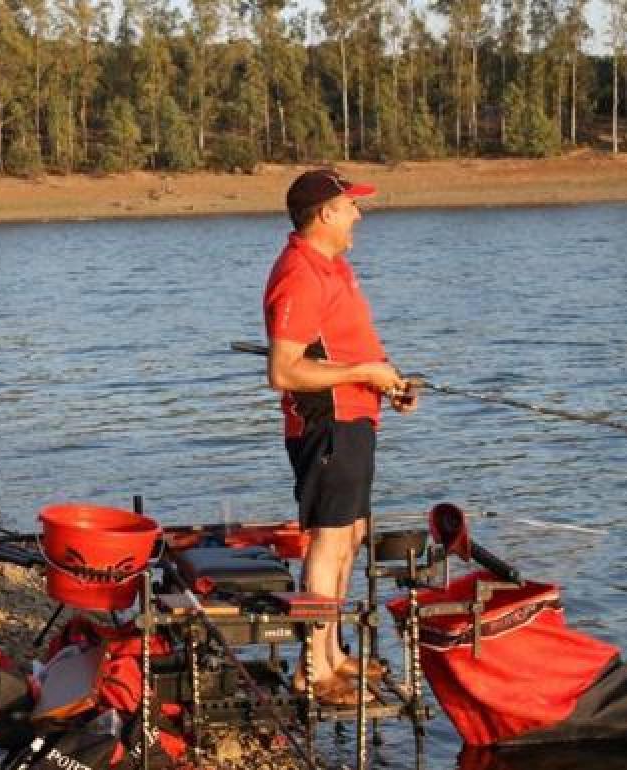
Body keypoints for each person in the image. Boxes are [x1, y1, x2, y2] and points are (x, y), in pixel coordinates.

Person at [262, 168, 418, 706]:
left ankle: (332, 653)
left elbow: (352, 349)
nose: (359, 214)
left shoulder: (335, 267)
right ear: (325, 212)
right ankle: (313, 670)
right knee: (327, 545)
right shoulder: (300, 273)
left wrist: (388, 382)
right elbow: (285, 371)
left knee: (349, 537)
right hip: (325, 425)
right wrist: (362, 376)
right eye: (351, 205)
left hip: (356, 419)